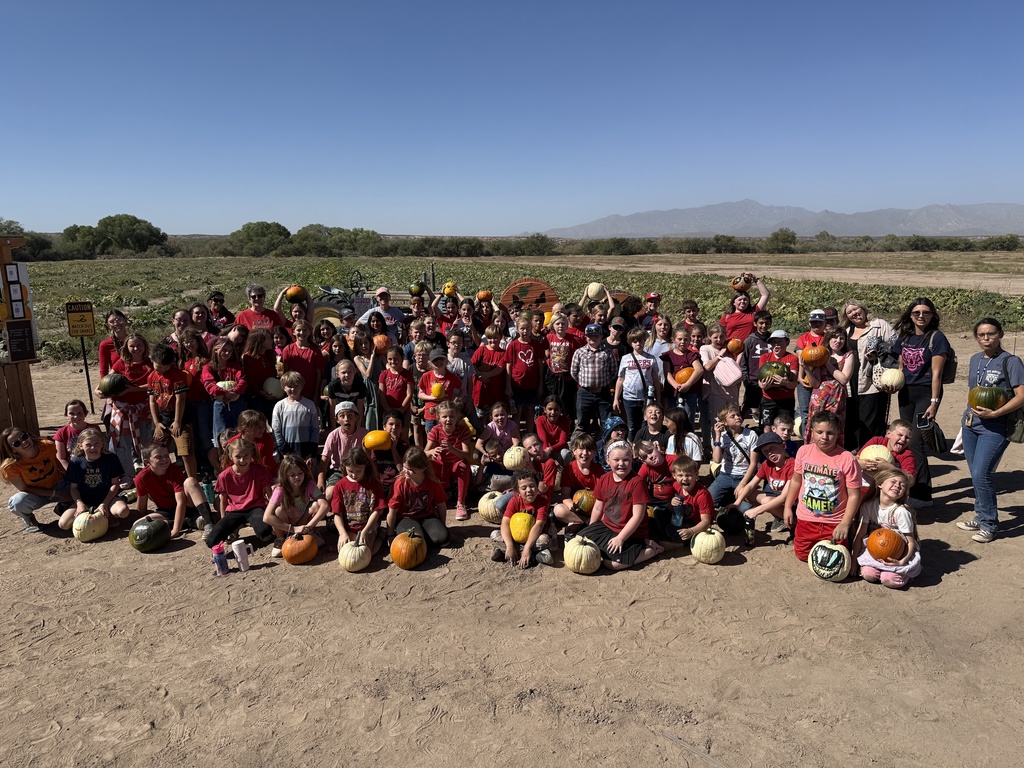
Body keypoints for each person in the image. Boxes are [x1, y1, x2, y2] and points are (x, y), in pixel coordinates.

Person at [955, 317, 1024, 543]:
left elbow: (1022, 396)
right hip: (971, 426)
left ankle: (990, 524)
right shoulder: (975, 359)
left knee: (981, 474)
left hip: (995, 427)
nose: (986, 338)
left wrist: (996, 413)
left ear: (1000, 335)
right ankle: (981, 515)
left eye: (991, 334)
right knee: (976, 474)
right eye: (982, 335)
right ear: (976, 337)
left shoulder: (1011, 362)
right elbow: (973, 394)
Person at [783, 412, 862, 562]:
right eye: (819, 432)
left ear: (838, 433)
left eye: (830, 433)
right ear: (811, 432)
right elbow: (796, 481)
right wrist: (788, 506)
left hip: (834, 522)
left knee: (834, 560)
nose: (824, 437)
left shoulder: (847, 459)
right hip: (807, 519)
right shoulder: (803, 451)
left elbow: (854, 495)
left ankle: (850, 533)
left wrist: (845, 523)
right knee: (803, 556)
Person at [894, 297, 950, 505]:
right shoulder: (906, 337)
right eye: (917, 312)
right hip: (906, 393)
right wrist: (894, 383)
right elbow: (901, 367)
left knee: (916, 442)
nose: (921, 316)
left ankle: (923, 494)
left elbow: (937, 373)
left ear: (932, 315)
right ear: (910, 315)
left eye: (926, 312)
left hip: (927, 393)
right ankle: (911, 486)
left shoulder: (937, 338)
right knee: (906, 439)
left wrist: (934, 402)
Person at [575, 441, 664, 571]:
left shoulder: (636, 482)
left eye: (626, 460)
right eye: (616, 460)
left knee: (612, 564)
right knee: (578, 541)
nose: (621, 464)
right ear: (608, 460)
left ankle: (650, 550)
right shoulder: (604, 479)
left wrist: (621, 538)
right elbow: (598, 508)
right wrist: (592, 529)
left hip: (631, 532)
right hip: (607, 526)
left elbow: (638, 516)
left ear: (631, 460)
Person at [852, 468, 921, 588]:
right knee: (868, 574)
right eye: (893, 482)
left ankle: (905, 574)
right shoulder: (868, 506)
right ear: (880, 484)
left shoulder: (901, 512)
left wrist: (902, 561)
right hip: (875, 551)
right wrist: (853, 562)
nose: (897, 486)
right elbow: (860, 535)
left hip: (899, 553)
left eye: (902, 485)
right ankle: (879, 569)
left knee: (888, 580)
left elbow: (910, 542)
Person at [842, 299, 895, 446]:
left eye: (855, 309)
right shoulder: (846, 332)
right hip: (851, 382)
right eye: (849, 312)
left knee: (870, 421)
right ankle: (856, 454)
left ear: (863, 309)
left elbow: (895, 344)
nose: (854, 313)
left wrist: (878, 353)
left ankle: (870, 451)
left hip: (872, 382)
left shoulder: (879, 325)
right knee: (853, 420)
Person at [205, 437, 275, 548]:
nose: (242, 460)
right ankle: (234, 528)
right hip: (234, 511)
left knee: (265, 533)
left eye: (246, 456)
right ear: (231, 456)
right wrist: (224, 522)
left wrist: (272, 516)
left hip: (255, 507)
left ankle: (247, 527)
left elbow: (271, 496)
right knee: (211, 541)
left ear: (251, 454)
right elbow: (223, 502)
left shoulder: (260, 470)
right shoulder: (224, 476)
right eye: (238, 457)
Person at [134, 442, 212, 537]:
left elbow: (181, 502)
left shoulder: (175, 471)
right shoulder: (141, 477)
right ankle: (188, 522)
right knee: (138, 524)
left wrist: (175, 530)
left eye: (166, 455)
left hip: (187, 506)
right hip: (166, 511)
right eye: (158, 457)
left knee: (190, 481)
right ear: (147, 462)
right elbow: (142, 501)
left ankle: (209, 523)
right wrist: (142, 519)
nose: (165, 459)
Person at [1, 428, 71, 531]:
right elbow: (24, 488)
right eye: (17, 443)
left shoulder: (47, 446)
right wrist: (54, 493)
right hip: (37, 493)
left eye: (24, 437)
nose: (24, 442)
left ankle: (64, 506)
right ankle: (29, 518)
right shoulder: (10, 467)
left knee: (82, 489)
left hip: (58, 484)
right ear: (12, 450)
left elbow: (56, 463)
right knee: (17, 503)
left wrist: (72, 478)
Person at [61, 428, 129, 529]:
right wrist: (79, 503)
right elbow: (73, 488)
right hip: (85, 500)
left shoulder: (111, 459)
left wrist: (104, 504)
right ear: (81, 445)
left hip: (107, 498)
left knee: (123, 512)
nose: (93, 447)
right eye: (88, 444)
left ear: (102, 443)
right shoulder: (75, 462)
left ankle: (106, 514)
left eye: (97, 443)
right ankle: (100, 517)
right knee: (63, 524)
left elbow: (115, 484)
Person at [266, 454, 329, 557]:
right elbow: (266, 517)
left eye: (300, 473)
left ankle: (308, 532)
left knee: (316, 505)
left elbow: (325, 505)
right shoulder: (280, 490)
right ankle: (280, 539)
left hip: (303, 522)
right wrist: (293, 529)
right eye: (292, 475)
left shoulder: (309, 485)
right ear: (285, 475)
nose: (297, 477)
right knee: (278, 511)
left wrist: (308, 526)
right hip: (286, 525)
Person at [148, 342, 196, 479]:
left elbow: (181, 399)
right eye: (159, 366)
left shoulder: (178, 375)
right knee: (156, 450)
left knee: (185, 452)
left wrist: (177, 421)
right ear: (152, 359)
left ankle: (192, 480)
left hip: (180, 419)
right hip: (162, 419)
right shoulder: (152, 377)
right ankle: (158, 479)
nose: (162, 369)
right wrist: (156, 422)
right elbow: (152, 401)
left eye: (165, 367)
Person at [489, 469, 555, 567]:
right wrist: (509, 545)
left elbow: (539, 525)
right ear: (517, 491)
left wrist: (527, 548)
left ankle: (506, 551)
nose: (529, 490)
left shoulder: (542, 501)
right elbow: (505, 523)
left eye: (532, 486)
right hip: (515, 538)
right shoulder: (514, 501)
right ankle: (536, 555)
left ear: (537, 488)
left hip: (534, 538)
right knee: (494, 534)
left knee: (545, 539)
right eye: (524, 488)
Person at [387, 446, 449, 548]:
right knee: (414, 541)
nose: (405, 471)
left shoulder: (432, 482)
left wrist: (442, 525)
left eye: (410, 469)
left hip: (427, 516)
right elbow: (392, 511)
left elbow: (441, 505)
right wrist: (390, 535)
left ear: (422, 469)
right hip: (406, 518)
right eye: (404, 467)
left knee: (442, 538)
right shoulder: (400, 483)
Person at [329, 446, 386, 555]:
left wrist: (365, 532)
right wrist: (342, 533)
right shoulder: (339, 486)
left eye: (358, 471)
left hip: (368, 527)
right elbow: (337, 513)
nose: (354, 475)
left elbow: (377, 511)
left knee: (367, 552)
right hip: (349, 528)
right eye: (350, 471)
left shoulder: (373, 484)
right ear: (344, 467)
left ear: (365, 466)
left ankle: (381, 535)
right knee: (348, 554)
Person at [805, 327, 855, 446]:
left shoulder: (848, 355)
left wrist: (827, 363)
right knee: (817, 426)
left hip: (836, 397)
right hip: (819, 398)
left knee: (833, 426)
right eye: (834, 337)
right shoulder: (820, 353)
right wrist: (807, 369)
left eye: (841, 338)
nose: (838, 340)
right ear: (828, 338)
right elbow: (816, 383)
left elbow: (843, 379)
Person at [736, 432, 795, 532]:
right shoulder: (767, 464)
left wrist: (756, 511)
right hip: (777, 498)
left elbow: (784, 497)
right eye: (766, 451)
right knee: (743, 492)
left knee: (766, 501)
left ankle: (794, 522)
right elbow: (750, 485)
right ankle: (780, 518)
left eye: (772, 448)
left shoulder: (792, 465)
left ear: (783, 446)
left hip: (793, 503)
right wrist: (736, 503)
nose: (770, 453)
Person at [426, 400, 474, 521]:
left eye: (451, 416)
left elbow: (468, 456)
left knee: (464, 465)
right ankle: (432, 501)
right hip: (441, 465)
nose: (448, 420)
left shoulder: (462, 430)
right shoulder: (435, 430)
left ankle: (461, 503)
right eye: (444, 417)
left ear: (457, 416)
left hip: (455, 464)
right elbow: (424, 453)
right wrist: (431, 452)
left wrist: (452, 449)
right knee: (428, 464)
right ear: (438, 418)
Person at [651, 455, 713, 545]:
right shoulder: (676, 486)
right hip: (681, 518)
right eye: (680, 475)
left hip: (696, 525)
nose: (684, 478)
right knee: (658, 511)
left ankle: (677, 544)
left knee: (675, 531)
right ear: (674, 476)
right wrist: (671, 504)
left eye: (688, 475)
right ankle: (668, 536)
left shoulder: (702, 495)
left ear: (696, 475)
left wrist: (691, 531)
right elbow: (672, 508)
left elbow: (706, 522)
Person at [615, 328, 662, 440]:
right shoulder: (626, 358)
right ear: (631, 343)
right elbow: (620, 379)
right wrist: (616, 398)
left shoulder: (651, 358)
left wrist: (658, 399)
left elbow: (655, 380)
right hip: (629, 397)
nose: (638, 344)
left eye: (641, 341)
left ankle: (643, 446)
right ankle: (632, 447)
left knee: (645, 424)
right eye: (635, 341)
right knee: (631, 425)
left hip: (646, 397)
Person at [571, 323, 618, 435]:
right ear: (586, 337)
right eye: (590, 336)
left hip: (603, 392)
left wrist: (604, 382)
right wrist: (584, 382)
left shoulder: (607, 353)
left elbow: (613, 371)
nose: (593, 338)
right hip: (585, 392)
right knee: (582, 421)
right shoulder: (579, 352)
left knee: (606, 420)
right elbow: (574, 371)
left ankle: (607, 444)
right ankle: (581, 445)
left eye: (596, 335)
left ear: (601, 336)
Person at [707, 405, 758, 507]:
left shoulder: (751, 435)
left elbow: (753, 463)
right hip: (725, 475)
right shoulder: (723, 436)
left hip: (743, 476)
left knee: (744, 509)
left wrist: (743, 484)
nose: (737, 417)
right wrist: (717, 436)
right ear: (724, 422)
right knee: (707, 501)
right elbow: (717, 460)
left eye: (738, 415)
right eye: (732, 416)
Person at [552, 432, 604, 530]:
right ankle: (588, 523)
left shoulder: (598, 471)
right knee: (559, 510)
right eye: (581, 449)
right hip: (575, 509)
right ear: (574, 451)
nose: (584, 453)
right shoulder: (569, 469)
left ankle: (581, 523)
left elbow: (601, 497)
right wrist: (571, 505)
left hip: (594, 508)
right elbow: (565, 496)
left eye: (589, 450)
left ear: (594, 453)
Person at [320, 401, 368, 500]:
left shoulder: (365, 434)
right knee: (329, 494)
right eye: (342, 416)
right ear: (337, 419)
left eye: (350, 416)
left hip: (358, 470)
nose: (346, 419)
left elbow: (369, 458)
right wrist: (320, 480)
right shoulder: (333, 435)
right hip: (337, 470)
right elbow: (324, 460)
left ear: (356, 417)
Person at [505, 314, 546, 432]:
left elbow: (540, 365)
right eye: (522, 328)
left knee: (530, 411)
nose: (525, 331)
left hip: (533, 385)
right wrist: (508, 386)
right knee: (517, 412)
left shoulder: (536, 345)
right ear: (517, 329)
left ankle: (529, 436)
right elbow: (508, 365)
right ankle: (516, 438)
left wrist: (541, 384)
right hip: (517, 384)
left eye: (527, 328)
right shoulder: (513, 345)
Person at [271, 371, 320, 464]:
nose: (293, 389)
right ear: (284, 387)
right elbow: (276, 430)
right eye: (290, 386)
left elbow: (315, 429)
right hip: (286, 452)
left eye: (296, 386)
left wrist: (311, 453)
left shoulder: (309, 405)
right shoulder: (280, 406)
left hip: (305, 451)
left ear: (301, 386)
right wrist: (284, 451)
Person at [661, 322, 704, 424]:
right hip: (673, 391)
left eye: (685, 339)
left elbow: (699, 369)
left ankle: (688, 438)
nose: (683, 342)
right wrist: (675, 385)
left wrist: (687, 384)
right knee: (673, 419)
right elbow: (667, 373)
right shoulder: (668, 356)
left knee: (688, 418)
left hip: (689, 391)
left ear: (689, 340)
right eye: (679, 339)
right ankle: (674, 438)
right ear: (673, 340)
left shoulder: (690, 355)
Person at [757, 330, 799, 429]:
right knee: (767, 427)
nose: (776, 345)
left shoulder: (792, 359)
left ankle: (784, 445)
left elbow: (794, 383)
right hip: (768, 399)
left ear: (787, 343)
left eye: (780, 342)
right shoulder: (764, 357)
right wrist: (763, 385)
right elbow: (760, 381)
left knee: (785, 427)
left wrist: (785, 383)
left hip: (786, 400)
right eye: (774, 342)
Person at [741, 310, 773, 419]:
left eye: (767, 323)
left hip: (770, 380)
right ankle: (737, 426)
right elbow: (743, 362)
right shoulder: (749, 341)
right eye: (761, 323)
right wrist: (746, 379)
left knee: (767, 406)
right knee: (748, 404)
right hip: (753, 381)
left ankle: (764, 428)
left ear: (770, 324)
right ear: (755, 324)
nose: (764, 326)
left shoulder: (773, 340)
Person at [719, 273, 771, 340]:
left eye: (745, 300)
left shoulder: (754, 312)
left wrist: (755, 279)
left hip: (750, 348)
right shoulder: (727, 316)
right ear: (733, 302)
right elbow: (718, 331)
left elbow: (766, 295)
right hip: (731, 348)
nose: (743, 301)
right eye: (740, 299)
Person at [54, 400, 99, 470]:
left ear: (85, 413)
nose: (76, 416)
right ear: (66, 415)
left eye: (79, 413)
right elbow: (61, 459)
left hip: (94, 467)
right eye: (71, 413)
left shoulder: (94, 429)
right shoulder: (61, 433)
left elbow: (101, 450)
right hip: (72, 468)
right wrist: (73, 472)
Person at [535, 396, 571, 463]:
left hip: (559, 450)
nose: (553, 412)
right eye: (550, 409)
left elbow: (563, 441)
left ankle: (566, 471)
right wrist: (547, 454)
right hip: (545, 450)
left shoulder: (565, 421)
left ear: (560, 410)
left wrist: (551, 449)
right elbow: (543, 440)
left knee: (566, 454)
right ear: (545, 410)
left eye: (556, 409)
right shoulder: (540, 420)